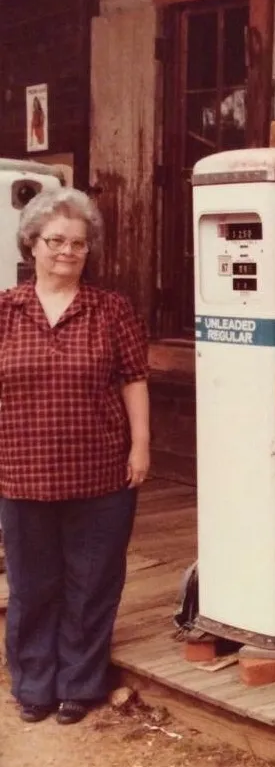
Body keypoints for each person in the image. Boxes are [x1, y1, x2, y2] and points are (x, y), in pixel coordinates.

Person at [0, 187, 150, 725]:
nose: (68, 251)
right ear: (32, 244)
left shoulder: (111, 309)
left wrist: (140, 446)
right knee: (32, 585)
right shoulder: (5, 310)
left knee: (92, 583)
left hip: (101, 469)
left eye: (79, 243)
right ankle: (35, 683)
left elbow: (134, 380)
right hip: (21, 469)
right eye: (56, 241)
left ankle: (79, 683)